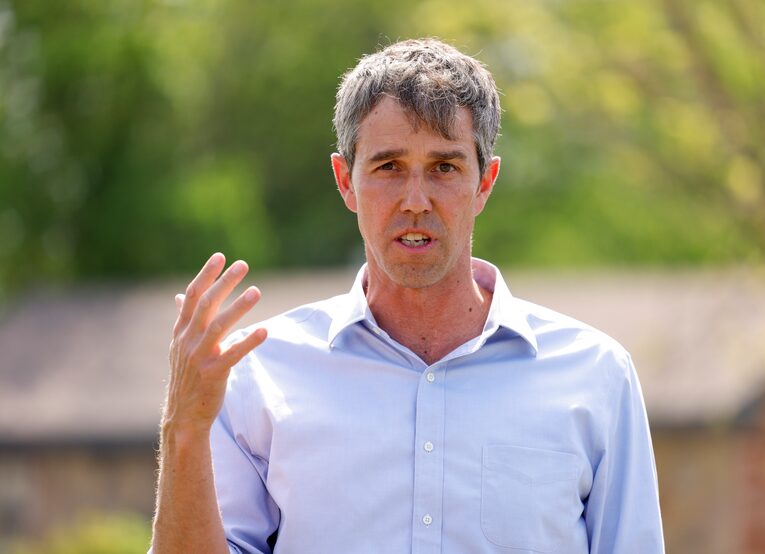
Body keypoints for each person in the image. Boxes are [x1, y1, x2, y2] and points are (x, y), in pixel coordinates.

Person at [151, 38, 664, 553]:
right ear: (345, 181)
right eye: (388, 166)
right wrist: (182, 430)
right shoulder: (255, 377)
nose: (415, 201)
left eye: (444, 167)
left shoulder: (597, 376)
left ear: (484, 182)